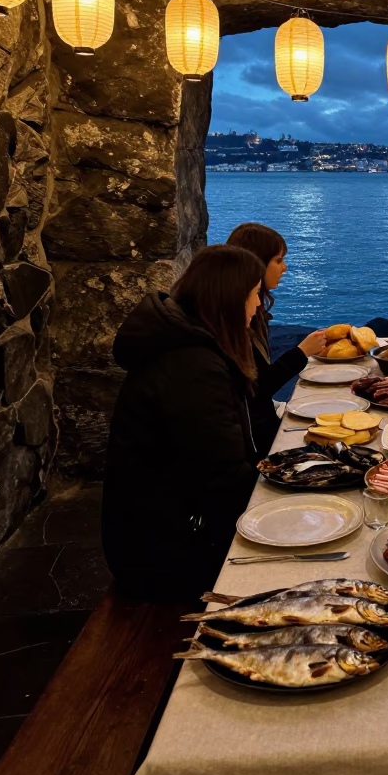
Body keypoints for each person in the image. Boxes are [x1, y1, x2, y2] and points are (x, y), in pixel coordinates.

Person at [101, 244, 269, 602]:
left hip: (163, 527)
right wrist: (292, 488)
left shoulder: (191, 344)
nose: (257, 308)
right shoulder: (192, 365)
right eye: (255, 295)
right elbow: (222, 477)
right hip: (165, 550)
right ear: (231, 298)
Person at [226, 222, 326, 456]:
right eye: (278, 260)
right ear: (257, 263)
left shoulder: (254, 310)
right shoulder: (236, 321)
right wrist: (301, 353)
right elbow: (257, 387)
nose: (285, 268)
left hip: (262, 422)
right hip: (257, 442)